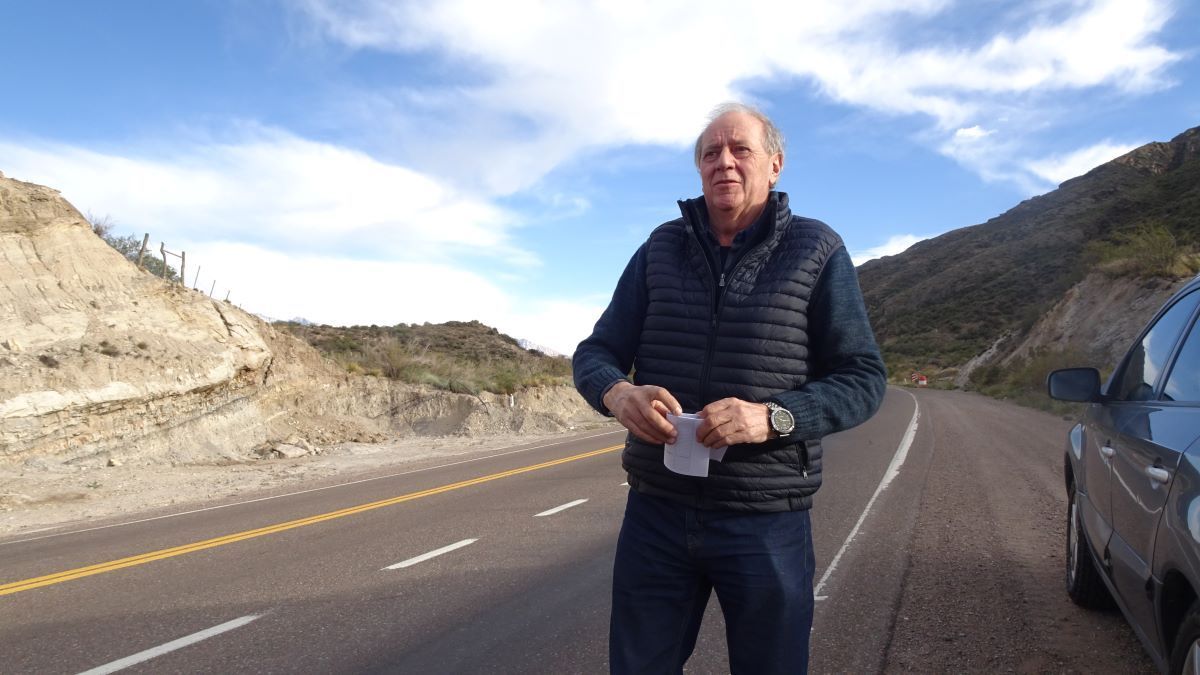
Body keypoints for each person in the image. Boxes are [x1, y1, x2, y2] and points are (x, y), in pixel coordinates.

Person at [572, 102, 887, 674]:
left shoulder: (816, 250)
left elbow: (862, 378)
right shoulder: (660, 248)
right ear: (699, 168)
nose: (725, 162)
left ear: (775, 164)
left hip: (765, 518)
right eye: (711, 152)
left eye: (741, 149)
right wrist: (618, 394)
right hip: (657, 512)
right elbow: (596, 353)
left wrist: (773, 417)